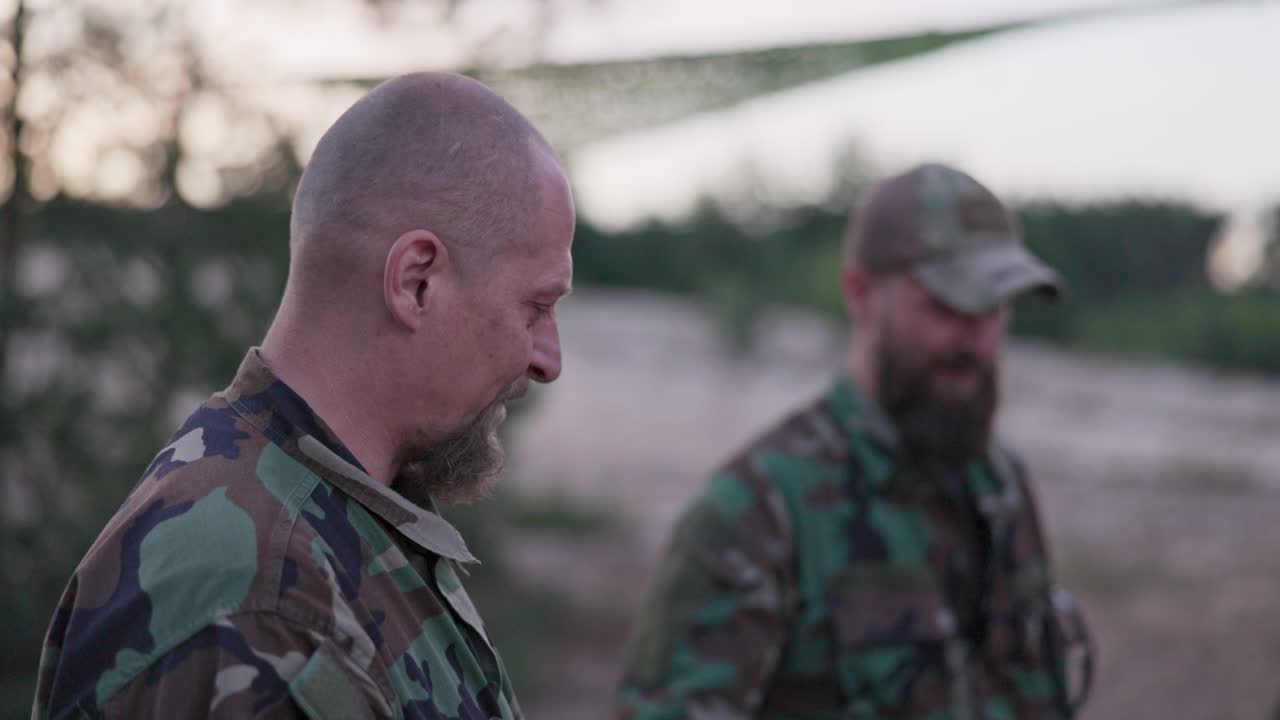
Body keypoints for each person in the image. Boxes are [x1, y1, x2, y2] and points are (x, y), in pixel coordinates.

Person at [33, 73, 574, 719]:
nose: (548, 360)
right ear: (417, 282)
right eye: (536, 306)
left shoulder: (336, 515)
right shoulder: (262, 612)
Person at [616, 163, 1091, 719]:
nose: (976, 340)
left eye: (995, 308)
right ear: (861, 294)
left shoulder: (1000, 487)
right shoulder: (758, 514)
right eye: (947, 307)